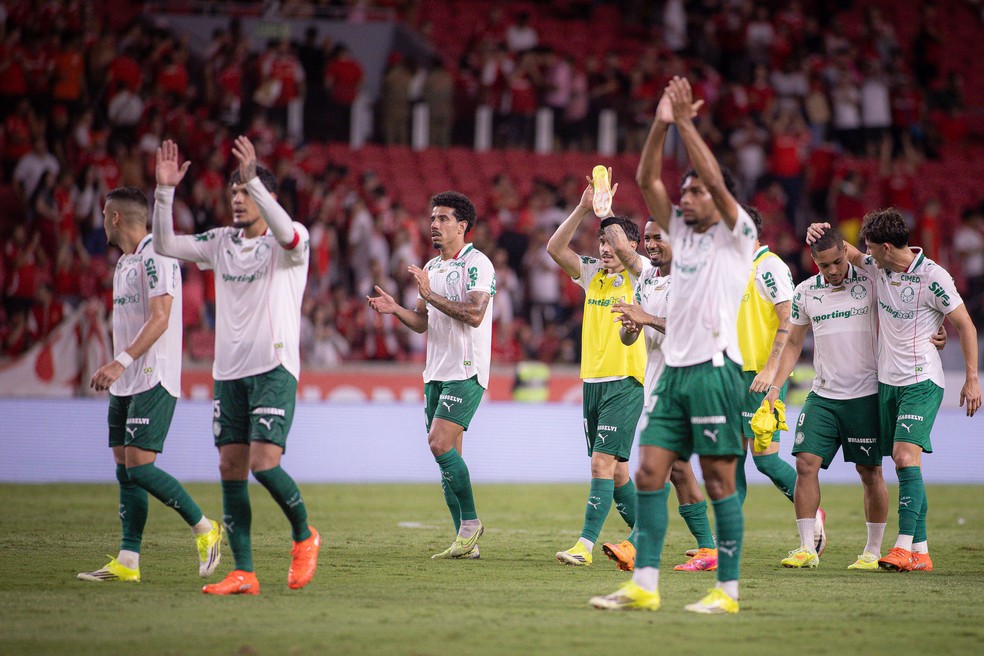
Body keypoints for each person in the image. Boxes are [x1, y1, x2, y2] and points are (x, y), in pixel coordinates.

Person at [590, 76, 753, 614]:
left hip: (715, 369)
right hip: (675, 373)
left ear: (719, 197)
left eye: (695, 191)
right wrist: (661, 122)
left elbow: (714, 181)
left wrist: (686, 121)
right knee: (650, 472)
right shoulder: (678, 238)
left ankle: (727, 591)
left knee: (718, 477)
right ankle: (645, 584)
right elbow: (644, 178)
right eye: (682, 193)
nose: (685, 197)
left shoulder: (737, 235)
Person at [153, 138, 319, 595]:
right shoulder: (219, 242)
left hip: (273, 367)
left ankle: (304, 535)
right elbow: (165, 243)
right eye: (234, 195)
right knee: (230, 466)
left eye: (245, 193)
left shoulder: (292, 242)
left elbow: (287, 233)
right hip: (228, 374)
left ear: (266, 198)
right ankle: (244, 571)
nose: (238, 202)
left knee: (265, 464)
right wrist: (164, 192)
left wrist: (256, 180)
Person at [808, 210, 980, 572]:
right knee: (907, 465)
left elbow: (965, 325)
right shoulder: (879, 266)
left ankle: (901, 547)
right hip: (887, 383)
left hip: (921, 380)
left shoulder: (934, 277)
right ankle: (921, 551)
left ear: (886, 247)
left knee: (903, 457)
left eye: (870, 247)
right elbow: (846, 253)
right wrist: (820, 229)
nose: (864, 254)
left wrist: (971, 378)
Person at [78, 184, 223, 583]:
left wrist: (119, 362)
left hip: (151, 376)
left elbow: (161, 318)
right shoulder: (125, 263)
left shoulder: (157, 256)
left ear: (115, 217)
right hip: (125, 381)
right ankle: (128, 561)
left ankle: (204, 527)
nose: (102, 221)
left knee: (140, 468)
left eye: (104, 214)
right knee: (126, 470)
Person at [367, 191, 494, 559]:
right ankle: (464, 542)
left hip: (466, 370)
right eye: (432, 218)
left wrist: (428, 294)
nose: (434, 225)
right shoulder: (433, 267)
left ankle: (470, 523)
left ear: (462, 226)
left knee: (438, 443)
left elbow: (474, 314)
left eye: (442, 219)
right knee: (446, 459)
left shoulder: (478, 264)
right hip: (435, 371)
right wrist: (397, 310)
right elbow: (423, 322)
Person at [763, 227, 886, 569]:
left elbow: (904, 310)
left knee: (869, 471)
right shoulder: (805, 293)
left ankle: (872, 552)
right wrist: (775, 388)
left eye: (837, 262)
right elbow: (792, 344)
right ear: (813, 261)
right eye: (823, 265)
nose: (832, 271)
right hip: (823, 395)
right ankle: (806, 548)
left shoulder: (871, 281)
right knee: (804, 464)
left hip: (865, 394)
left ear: (846, 254)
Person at [601, 217, 718, 573]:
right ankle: (709, 549)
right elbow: (631, 337)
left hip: (685, 385)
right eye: (647, 238)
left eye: (658, 238)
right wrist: (632, 326)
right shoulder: (649, 279)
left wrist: (647, 317)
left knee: (658, 465)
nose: (650, 244)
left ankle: (636, 544)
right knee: (678, 469)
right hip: (657, 382)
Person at [546, 173, 646, 568]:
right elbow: (555, 247)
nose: (604, 248)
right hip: (593, 383)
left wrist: (608, 215)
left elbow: (631, 255)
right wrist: (585, 208)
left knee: (600, 465)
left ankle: (584, 546)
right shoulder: (593, 275)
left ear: (631, 246)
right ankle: (646, 536)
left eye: (612, 242)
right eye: (601, 242)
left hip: (625, 381)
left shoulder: (642, 278)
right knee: (618, 473)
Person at [734, 205, 826, 556]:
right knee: (730, 458)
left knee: (765, 459)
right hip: (733, 374)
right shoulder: (735, 269)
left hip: (762, 375)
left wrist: (772, 369)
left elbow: (788, 318)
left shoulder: (769, 266)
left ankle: (813, 513)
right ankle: (723, 541)